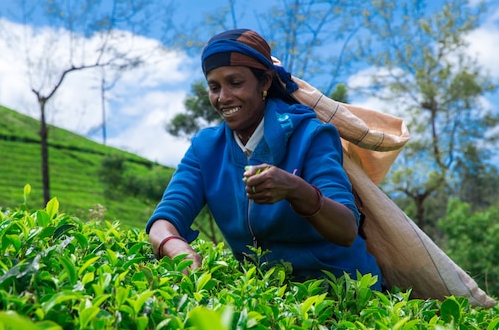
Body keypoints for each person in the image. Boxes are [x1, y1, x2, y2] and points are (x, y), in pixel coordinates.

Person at [145, 28, 382, 289]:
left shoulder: (311, 136)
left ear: (265, 82)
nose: (223, 97)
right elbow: (162, 222)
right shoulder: (206, 149)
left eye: (235, 83)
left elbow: (346, 229)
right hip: (268, 299)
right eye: (214, 87)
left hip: (342, 295)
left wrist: (295, 189)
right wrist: (178, 250)